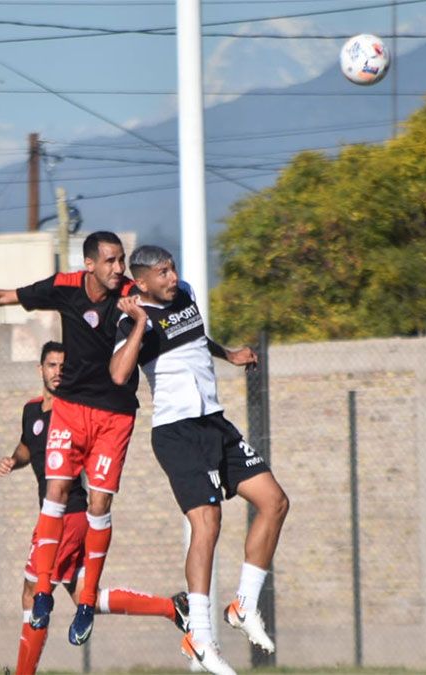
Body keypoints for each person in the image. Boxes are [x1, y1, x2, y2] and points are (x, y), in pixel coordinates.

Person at [0, 231, 139, 646]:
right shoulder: (65, 287)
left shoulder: (131, 294)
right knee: (54, 493)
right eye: (111, 261)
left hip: (113, 414)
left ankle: (86, 603)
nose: (119, 268)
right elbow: (3, 296)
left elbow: (174, 315)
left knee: (99, 504)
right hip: (71, 410)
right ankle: (43, 592)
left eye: (122, 260)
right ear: (89, 264)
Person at [110, 245, 290, 675]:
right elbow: (118, 373)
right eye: (162, 273)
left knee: (274, 501)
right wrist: (140, 323)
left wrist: (228, 354)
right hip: (177, 432)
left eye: (172, 269)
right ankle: (201, 637)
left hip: (214, 424)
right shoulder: (131, 320)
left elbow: (193, 337)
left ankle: (243, 606)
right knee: (207, 523)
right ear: (142, 282)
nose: (173, 277)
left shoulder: (185, 294)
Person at [1, 341, 187, 674]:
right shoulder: (31, 410)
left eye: (64, 366)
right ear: (40, 369)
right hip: (56, 517)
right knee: (86, 596)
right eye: (52, 365)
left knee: (32, 590)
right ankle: (172, 608)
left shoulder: (73, 412)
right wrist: (14, 460)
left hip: (67, 515)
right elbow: (28, 444)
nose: (58, 372)